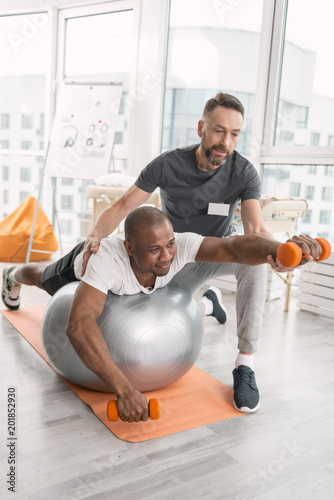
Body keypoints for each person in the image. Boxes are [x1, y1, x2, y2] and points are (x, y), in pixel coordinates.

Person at [2, 207, 321, 422]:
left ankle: (208, 304)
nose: (167, 256)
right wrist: (124, 389)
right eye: (154, 250)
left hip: (129, 285)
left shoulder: (178, 247)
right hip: (78, 269)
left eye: (169, 244)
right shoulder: (106, 261)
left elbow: (233, 247)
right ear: (129, 248)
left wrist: (281, 249)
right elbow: (78, 325)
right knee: (43, 277)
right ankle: (12, 276)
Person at [80, 92, 292, 413]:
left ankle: (244, 364)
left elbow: (255, 230)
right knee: (161, 311)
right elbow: (123, 205)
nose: (226, 142)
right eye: (219, 130)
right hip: (177, 259)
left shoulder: (244, 172)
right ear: (201, 128)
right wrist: (95, 235)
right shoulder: (167, 164)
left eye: (235, 134)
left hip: (220, 251)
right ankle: (208, 303)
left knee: (255, 262)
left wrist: (280, 251)